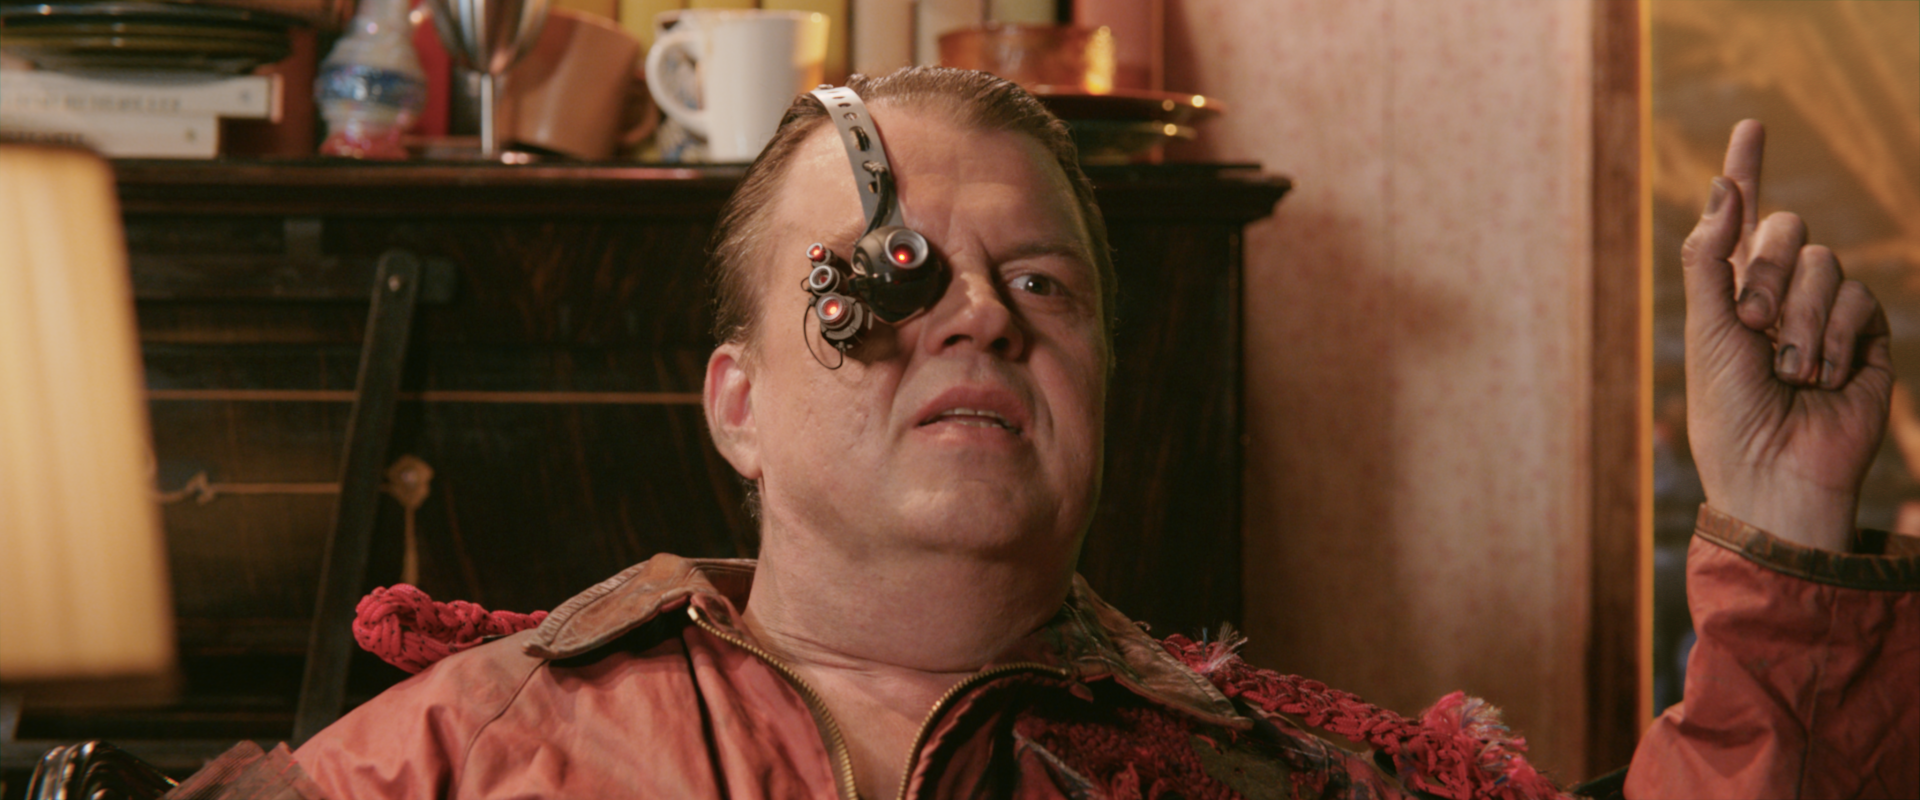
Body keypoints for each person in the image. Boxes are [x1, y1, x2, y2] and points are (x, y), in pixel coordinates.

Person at [188, 68, 1914, 800]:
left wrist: (1787, 530)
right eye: (896, 277)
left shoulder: (1289, 780)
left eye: (1041, 285)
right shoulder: (457, 759)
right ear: (738, 406)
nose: (983, 318)